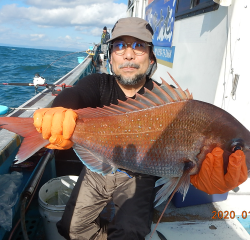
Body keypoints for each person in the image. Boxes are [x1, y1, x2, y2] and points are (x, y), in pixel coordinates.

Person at [33, 17, 248, 240]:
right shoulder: (98, 83)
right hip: (99, 166)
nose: (128, 54)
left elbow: (187, 166)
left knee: (130, 233)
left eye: (139, 46)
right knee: (69, 228)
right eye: (119, 46)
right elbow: (74, 95)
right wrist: (58, 111)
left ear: (151, 57)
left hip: (140, 174)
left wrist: (199, 179)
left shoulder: (173, 103)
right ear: (111, 57)